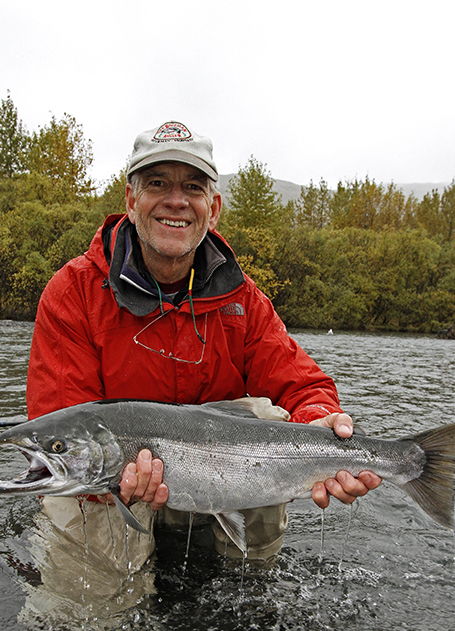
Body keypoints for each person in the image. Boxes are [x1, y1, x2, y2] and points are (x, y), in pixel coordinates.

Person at [26, 120, 381, 569]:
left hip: (221, 477)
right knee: (86, 618)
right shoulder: (73, 291)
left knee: (270, 418)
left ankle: (245, 580)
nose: (176, 200)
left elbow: (302, 385)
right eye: (158, 183)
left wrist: (321, 422)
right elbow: (61, 414)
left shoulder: (243, 300)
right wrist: (114, 478)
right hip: (113, 487)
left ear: (212, 209)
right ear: (131, 201)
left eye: (192, 186)